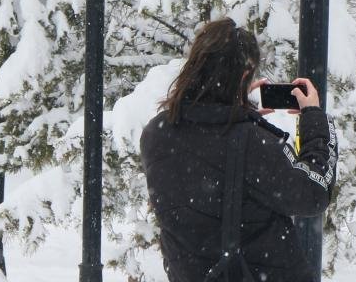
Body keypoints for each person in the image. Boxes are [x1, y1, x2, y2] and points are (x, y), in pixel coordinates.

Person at [140, 18, 337, 282]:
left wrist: (240, 111)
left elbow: (206, 171)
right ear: (244, 75)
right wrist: (314, 118)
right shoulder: (252, 144)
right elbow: (314, 192)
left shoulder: (157, 133)